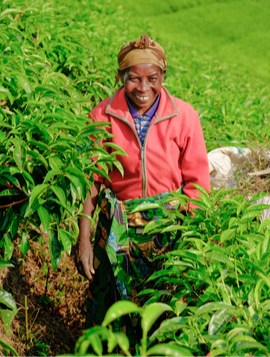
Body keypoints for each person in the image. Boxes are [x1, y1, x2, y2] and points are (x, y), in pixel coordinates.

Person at [75, 34, 210, 334]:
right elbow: (91, 182)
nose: (143, 88)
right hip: (117, 225)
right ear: (121, 77)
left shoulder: (184, 117)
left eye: (152, 78)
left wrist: (192, 238)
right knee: (109, 313)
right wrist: (84, 239)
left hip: (168, 227)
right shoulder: (103, 115)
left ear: (163, 75)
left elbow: (197, 186)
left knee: (162, 311)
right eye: (133, 78)